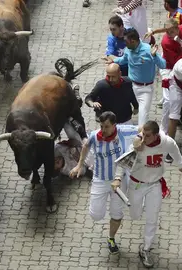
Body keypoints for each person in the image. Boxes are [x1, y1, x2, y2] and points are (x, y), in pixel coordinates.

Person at [69, 111, 138, 254]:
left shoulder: (123, 131)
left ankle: (111, 238)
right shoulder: (95, 136)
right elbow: (86, 146)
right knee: (96, 215)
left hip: (119, 181)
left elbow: (143, 128)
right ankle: (104, 205)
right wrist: (79, 165)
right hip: (100, 179)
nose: (103, 130)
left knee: (116, 213)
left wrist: (140, 142)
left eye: (106, 127)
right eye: (101, 126)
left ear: (114, 125)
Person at [115, 121, 182, 268]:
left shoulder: (166, 142)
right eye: (142, 134)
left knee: (152, 218)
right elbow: (124, 162)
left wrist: (180, 165)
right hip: (137, 185)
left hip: (154, 185)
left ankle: (145, 248)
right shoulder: (137, 145)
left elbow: (175, 152)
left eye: (147, 136)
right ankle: (142, 204)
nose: (144, 138)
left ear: (156, 135)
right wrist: (118, 178)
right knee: (135, 215)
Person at [106, 28, 166, 126]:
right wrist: (113, 60)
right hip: (130, 86)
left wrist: (154, 56)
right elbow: (123, 60)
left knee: (142, 119)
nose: (125, 44)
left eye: (126, 41)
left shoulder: (148, 50)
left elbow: (163, 65)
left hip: (145, 90)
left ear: (133, 41)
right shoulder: (128, 49)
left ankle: (141, 137)